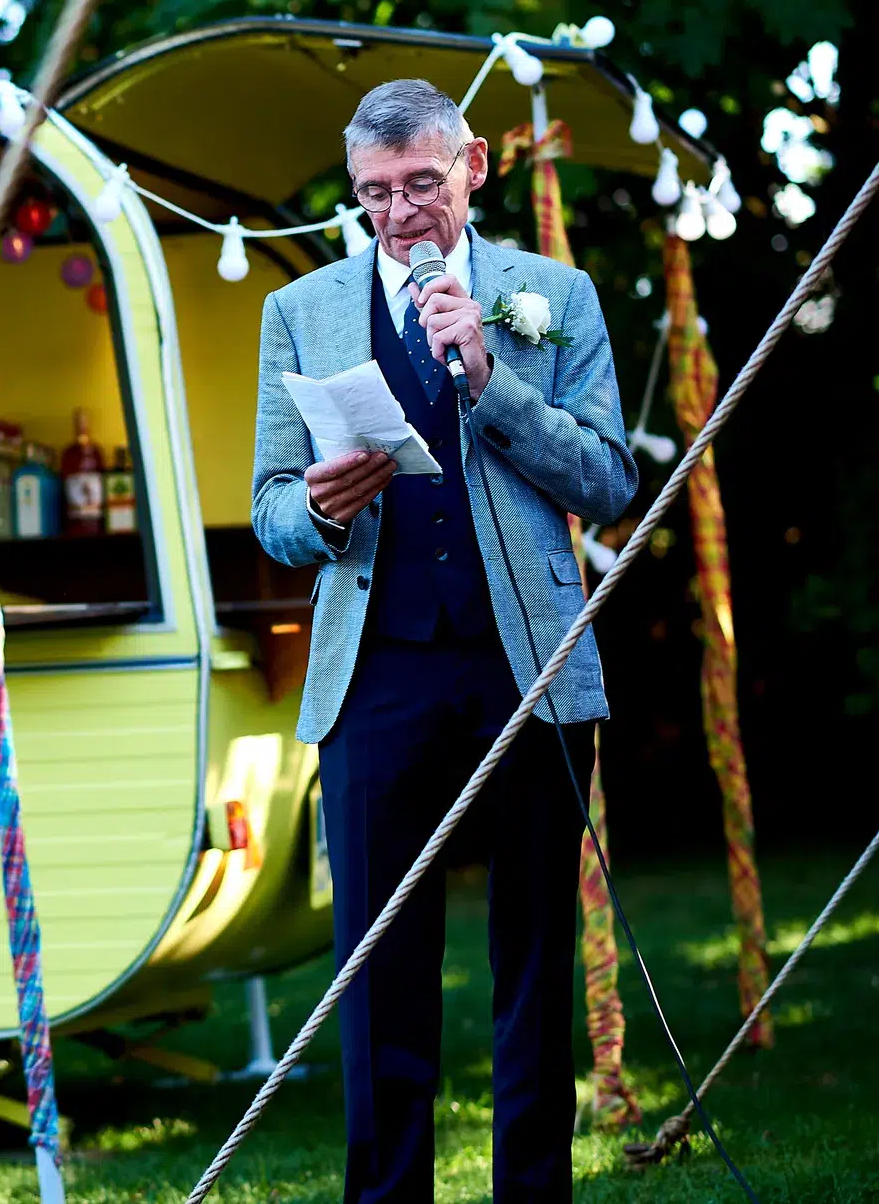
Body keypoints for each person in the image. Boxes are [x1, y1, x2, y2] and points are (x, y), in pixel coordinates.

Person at [250, 78, 638, 1202]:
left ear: (473, 165)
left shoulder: (552, 295)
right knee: (377, 978)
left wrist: (491, 378)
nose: (400, 213)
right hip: (374, 678)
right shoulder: (304, 310)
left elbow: (609, 479)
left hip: (529, 666)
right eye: (376, 193)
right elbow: (273, 508)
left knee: (530, 964)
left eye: (422, 184)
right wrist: (319, 506)